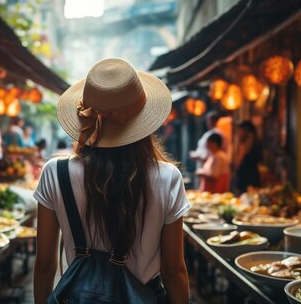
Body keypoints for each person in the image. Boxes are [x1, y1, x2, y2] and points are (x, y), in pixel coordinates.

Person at [34, 58, 190, 304]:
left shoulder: (55, 173)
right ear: (142, 121)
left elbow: (44, 264)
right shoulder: (168, 178)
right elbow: (173, 271)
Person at [189, 112, 228, 189]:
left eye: (209, 143)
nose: (207, 146)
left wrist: (201, 172)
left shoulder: (218, 156)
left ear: (214, 144)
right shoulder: (214, 155)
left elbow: (214, 175)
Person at [234, 120, 262, 194]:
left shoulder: (250, 140)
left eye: (240, 130)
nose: (239, 133)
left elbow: (242, 156)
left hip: (248, 175)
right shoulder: (253, 139)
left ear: (246, 130)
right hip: (248, 174)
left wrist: (239, 142)